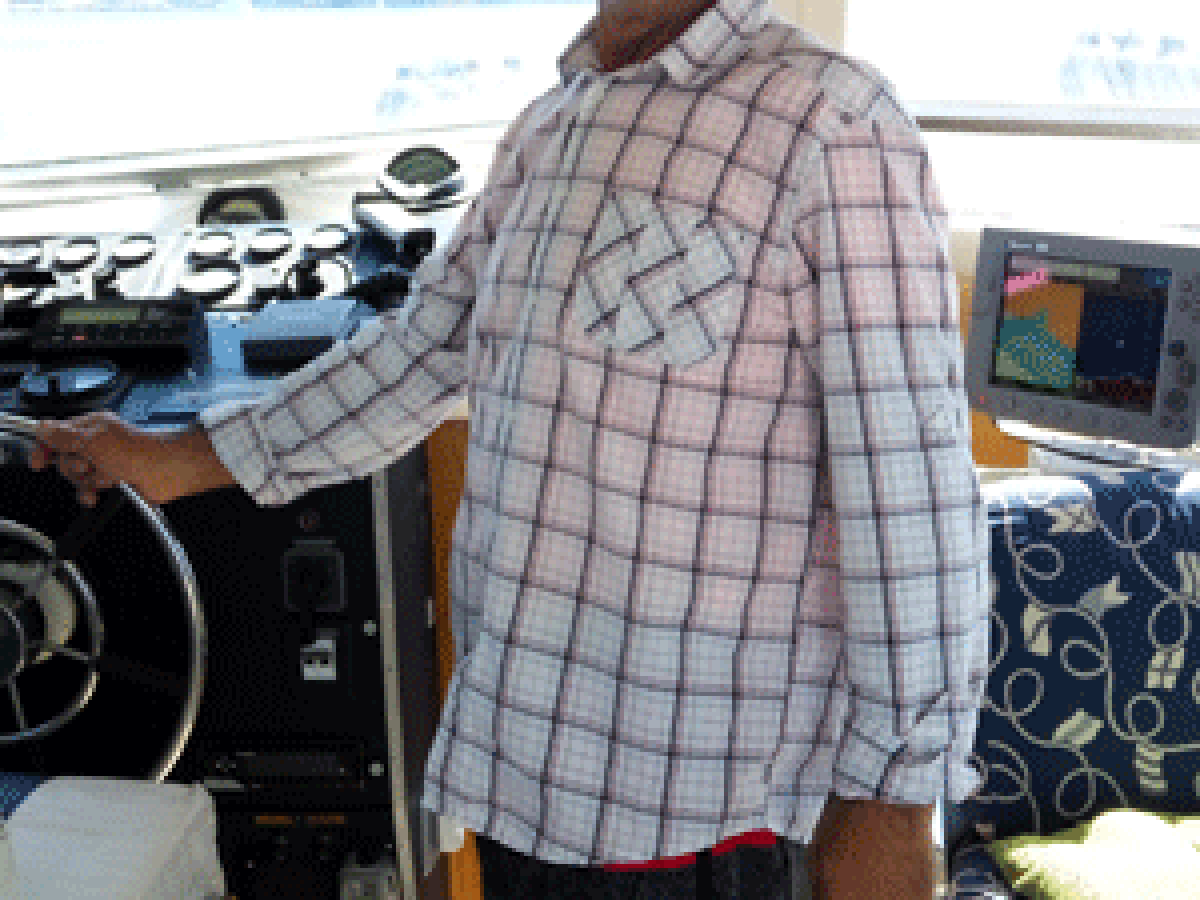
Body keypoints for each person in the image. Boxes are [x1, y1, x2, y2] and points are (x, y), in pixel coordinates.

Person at [31, 0, 991, 895]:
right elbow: (422, 350)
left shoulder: (832, 124)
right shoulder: (555, 121)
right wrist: (178, 457)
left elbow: (911, 491)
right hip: (519, 769)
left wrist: (896, 800)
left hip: (701, 814)